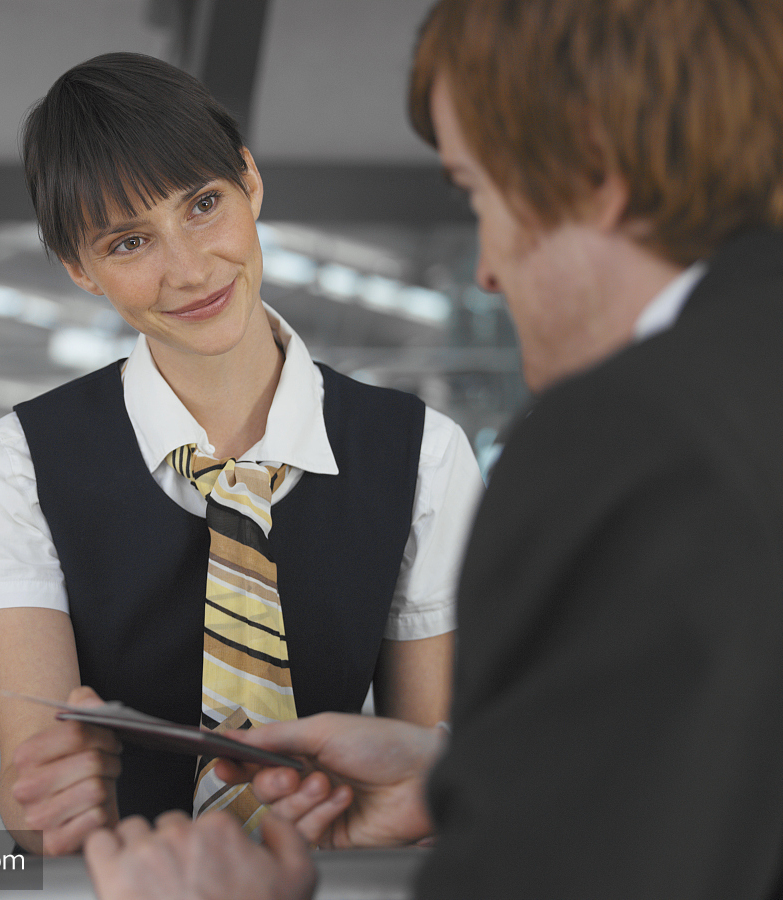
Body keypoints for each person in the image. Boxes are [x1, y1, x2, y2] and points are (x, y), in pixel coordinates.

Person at [82, 0, 783, 897]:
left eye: (477, 191)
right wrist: (471, 778)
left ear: (593, 169)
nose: (486, 267)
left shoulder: (630, 444)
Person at [0, 51, 484, 855]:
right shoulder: (18, 464)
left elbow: (428, 785)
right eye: (129, 242)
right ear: (80, 270)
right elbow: (30, 798)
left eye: (204, 204)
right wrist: (49, 802)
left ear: (251, 181)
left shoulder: (423, 455)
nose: (190, 268)